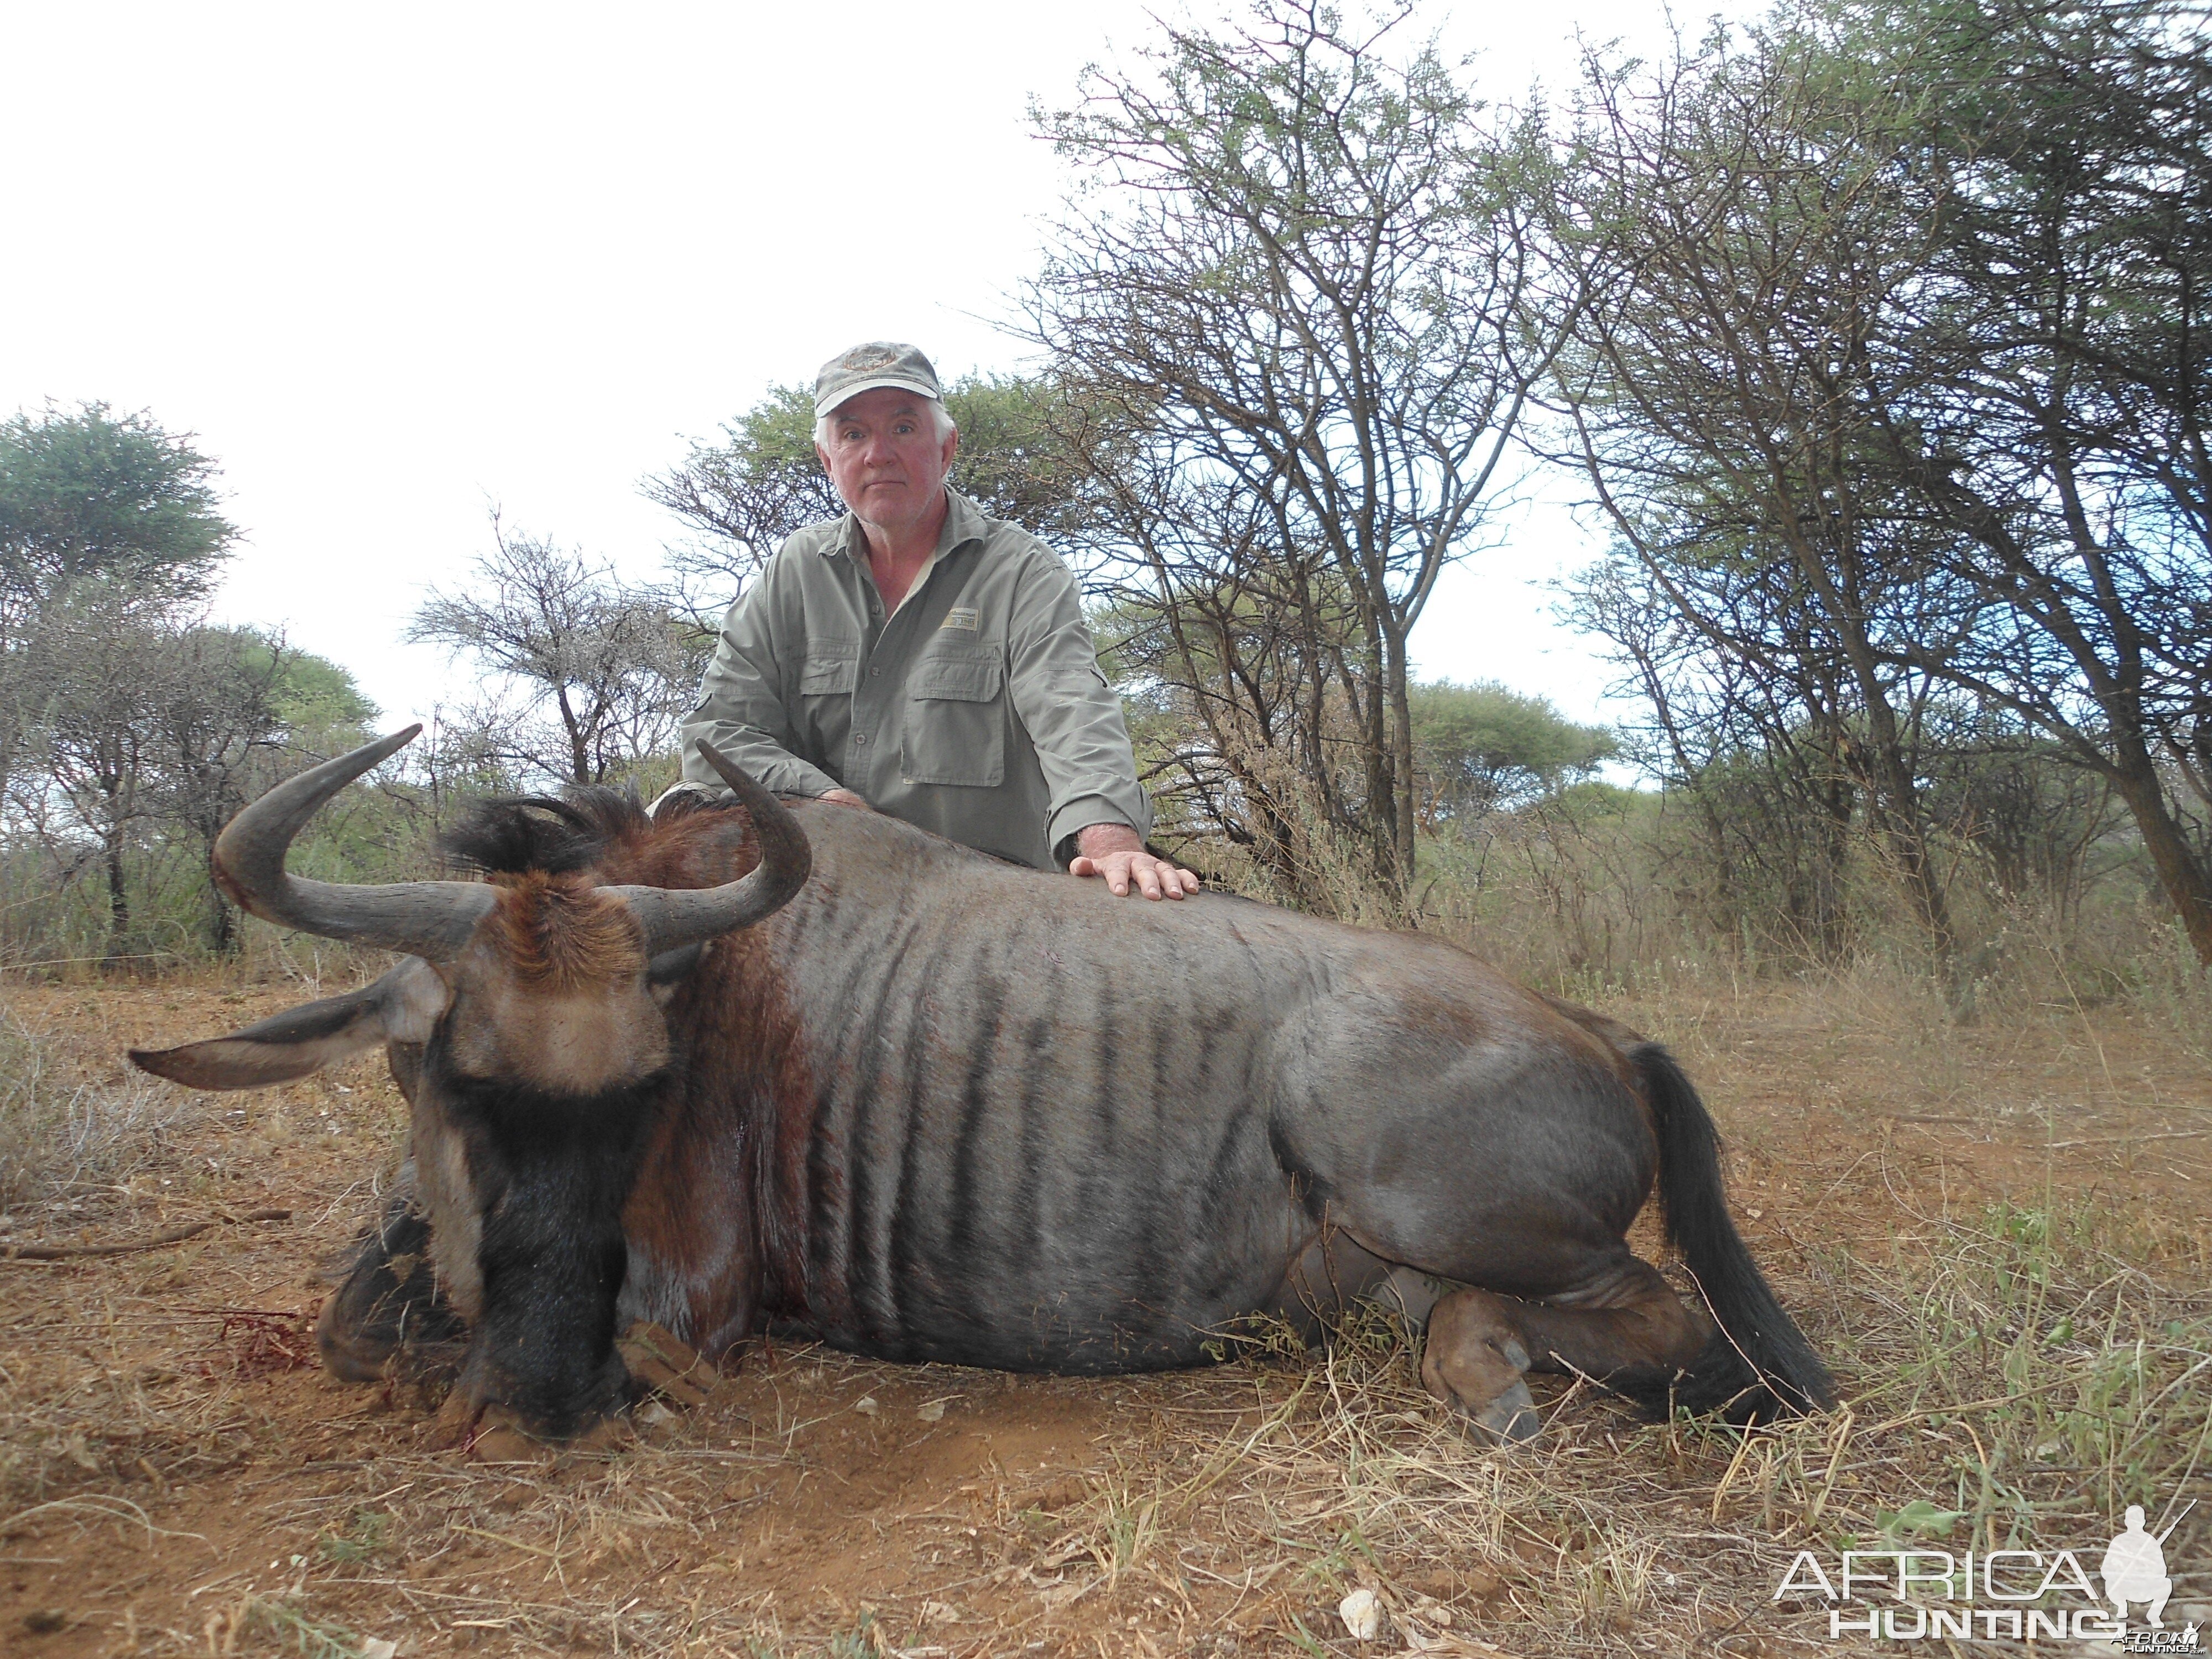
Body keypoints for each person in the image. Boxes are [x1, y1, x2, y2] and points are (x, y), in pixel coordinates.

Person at [675, 341, 1199, 901]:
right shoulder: (795, 569)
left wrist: (1109, 840)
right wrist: (821, 799)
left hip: (987, 900)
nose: (878, 453)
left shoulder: (1021, 569)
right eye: (853, 435)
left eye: (903, 428)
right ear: (829, 462)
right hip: (828, 898)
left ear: (946, 447)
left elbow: (1071, 710)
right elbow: (718, 735)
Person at [2100, 1505, 2174, 1627]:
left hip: (2145, 1586)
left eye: (2138, 1520)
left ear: (2144, 1522)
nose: (2135, 1524)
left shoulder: (2151, 1542)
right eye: (2131, 1520)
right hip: (2124, 1586)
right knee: (2110, 1583)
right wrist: (2120, 1570)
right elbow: (2106, 1569)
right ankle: (2122, 1607)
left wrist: (2146, 1569)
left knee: (2167, 1583)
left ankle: (2154, 1614)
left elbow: (2162, 1569)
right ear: (2126, 1522)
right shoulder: (2119, 1541)